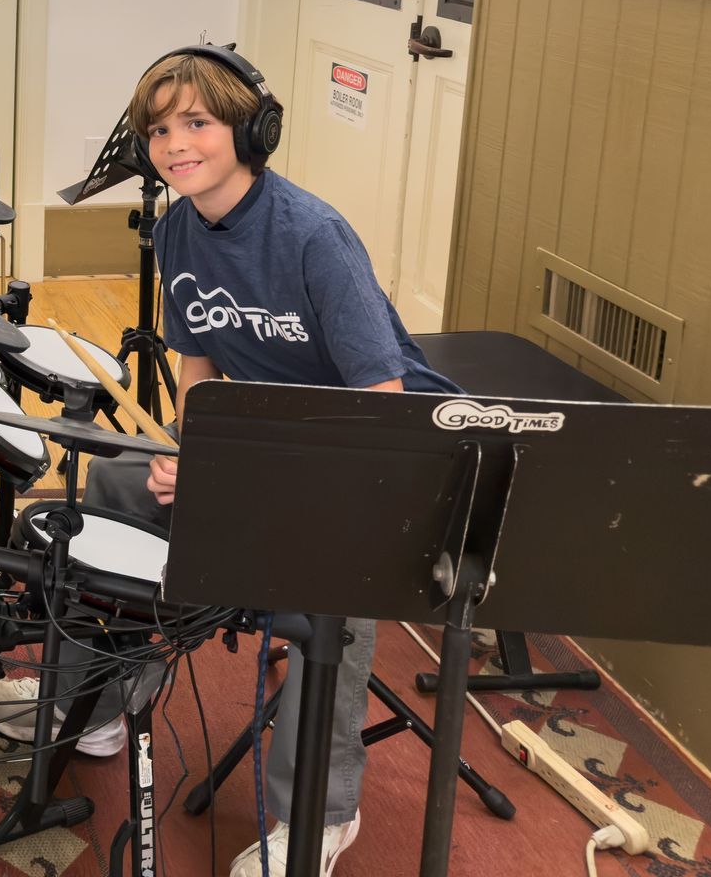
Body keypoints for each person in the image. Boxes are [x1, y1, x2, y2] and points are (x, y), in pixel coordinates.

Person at [85, 44, 462, 877]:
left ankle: (319, 818)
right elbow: (197, 365)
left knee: (331, 583)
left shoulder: (314, 237)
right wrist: (200, 453)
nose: (175, 144)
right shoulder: (181, 227)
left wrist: (252, 475)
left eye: (197, 123)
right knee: (110, 485)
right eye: (159, 130)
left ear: (252, 130)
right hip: (268, 446)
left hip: (377, 456)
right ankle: (103, 696)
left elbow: (384, 405)